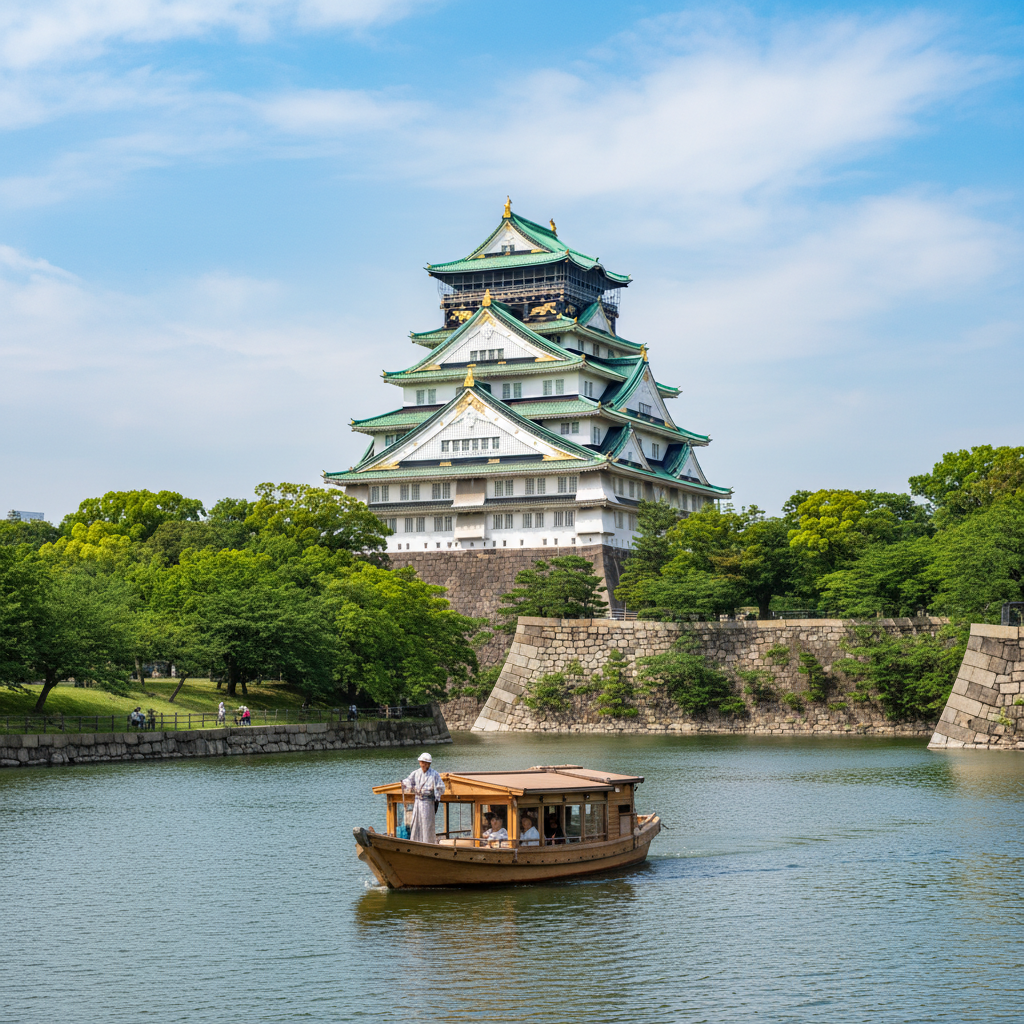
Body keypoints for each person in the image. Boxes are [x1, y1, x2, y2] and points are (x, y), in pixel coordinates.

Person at [401, 752, 445, 844]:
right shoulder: (416, 773)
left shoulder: (434, 774)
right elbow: (409, 781)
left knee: (426, 824)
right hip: (418, 801)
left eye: (425, 763)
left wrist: (435, 793)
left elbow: (441, 787)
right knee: (416, 822)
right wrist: (404, 783)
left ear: (429, 764)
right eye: (422, 762)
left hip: (428, 802)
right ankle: (415, 842)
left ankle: (428, 843)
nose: (423, 765)